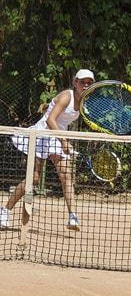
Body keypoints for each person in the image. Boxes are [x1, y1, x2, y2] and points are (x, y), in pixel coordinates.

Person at [0, 68, 95, 231]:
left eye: (89, 82)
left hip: (57, 135)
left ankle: (72, 217)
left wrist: (62, 139)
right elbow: (51, 119)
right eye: (82, 82)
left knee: (66, 175)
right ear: (75, 82)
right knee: (34, 179)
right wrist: (64, 141)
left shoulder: (86, 101)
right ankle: (5, 211)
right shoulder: (67, 96)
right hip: (43, 133)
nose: (85, 85)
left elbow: (63, 121)